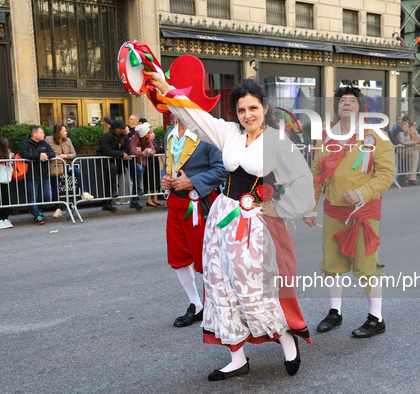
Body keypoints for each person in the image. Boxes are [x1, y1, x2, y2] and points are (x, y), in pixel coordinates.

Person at [145, 70, 314, 380]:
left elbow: (302, 179)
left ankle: (286, 339)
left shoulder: (276, 140)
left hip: (255, 223)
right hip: (223, 217)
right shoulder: (229, 133)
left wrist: (293, 208)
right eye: (241, 109)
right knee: (220, 285)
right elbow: (195, 116)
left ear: (264, 107)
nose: (247, 115)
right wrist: (167, 88)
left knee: (253, 289)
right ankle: (236, 356)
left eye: (253, 108)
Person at [304, 86, 395, 339]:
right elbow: (316, 174)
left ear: (361, 107)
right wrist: (310, 207)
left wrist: (362, 193)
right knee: (332, 265)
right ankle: (335, 312)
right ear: (337, 107)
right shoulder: (325, 135)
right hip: (333, 211)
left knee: (367, 265)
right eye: (342, 100)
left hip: (363, 212)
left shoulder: (376, 135)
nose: (346, 104)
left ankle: (376, 317)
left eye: (351, 100)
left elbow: (386, 174)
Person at [160, 118, 226, 327]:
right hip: (176, 203)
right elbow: (167, 165)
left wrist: (192, 181)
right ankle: (196, 304)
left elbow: (222, 169)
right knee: (178, 256)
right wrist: (164, 178)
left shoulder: (208, 134)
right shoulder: (170, 134)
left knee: (207, 259)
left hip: (202, 203)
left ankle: (217, 305)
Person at [46, 124, 94, 218]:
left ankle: (84, 192)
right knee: (55, 186)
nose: (66, 132)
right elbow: (46, 153)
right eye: (64, 131)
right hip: (54, 165)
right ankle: (58, 208)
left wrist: (65, 156)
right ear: (58, 132)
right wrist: (55, 157)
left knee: (78, 172)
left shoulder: (67, 140)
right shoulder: (48, 140)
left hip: (66, 164)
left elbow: (74, 154)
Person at [19, 126, 56, 225]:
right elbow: (23, 154)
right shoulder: (26, 143)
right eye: (41, 133)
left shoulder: (44, 143)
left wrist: (46, 156)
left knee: (47, 196)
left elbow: (52, 153)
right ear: (34, 134)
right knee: (33, 197)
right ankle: (37, 216)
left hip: (44, 174)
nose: (43, 134)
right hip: (31, 174)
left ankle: (36, 210)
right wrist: (38, 156)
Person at [96, 120, 131, 212]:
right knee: (111, 170)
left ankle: (108, 202)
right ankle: (112, 192)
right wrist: (122, 154)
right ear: (116, 129)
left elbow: (128, 149)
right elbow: (107, 151)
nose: (125, 129)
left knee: (113, 173)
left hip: (116, 159)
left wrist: (123, 154)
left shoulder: (125, 137)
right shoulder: (106, 137)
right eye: (123, 128)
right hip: (103, 158)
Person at [129, 123, 156, 210]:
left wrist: (152, 152)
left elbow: (153, 149)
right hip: (133, 161)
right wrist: (143, 153)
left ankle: (134, 200)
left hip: (142, 161)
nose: (149, 134)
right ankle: (139, 187)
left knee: (137, 179)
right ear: (143, 133)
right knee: (139, 170)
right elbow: (132, 151)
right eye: (148, 132)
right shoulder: (134, 138)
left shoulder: (147, 139)